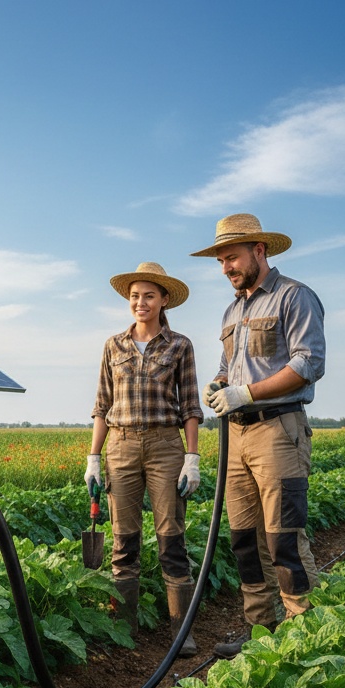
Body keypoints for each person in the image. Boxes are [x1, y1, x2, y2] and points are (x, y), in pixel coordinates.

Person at [191, 212, 325, 657]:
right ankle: (261, 635)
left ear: (259, 251)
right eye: (221, 260)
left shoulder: (294, 297)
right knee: (244, 540)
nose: (226, 267)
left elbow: (308, 364)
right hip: (238, 435)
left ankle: (304, 635)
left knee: (284, 537)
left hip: (277, 430)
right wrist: (218, 384)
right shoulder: (233, 310)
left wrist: (246, 392)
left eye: (232, 257)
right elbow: (231, 369)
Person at [84, 261, 204, 656]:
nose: (140, 302)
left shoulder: (180, 346)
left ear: (164, 300)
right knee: (124, 541)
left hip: (165, 446)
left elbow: (190, 406)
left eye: (149, 296)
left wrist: (192, 457)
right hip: (120, 446)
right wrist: (94, 458)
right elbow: (102, 405)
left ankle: (181, 631)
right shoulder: (112, 346)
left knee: (171, 538)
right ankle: (124, 629)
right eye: (134, 296)